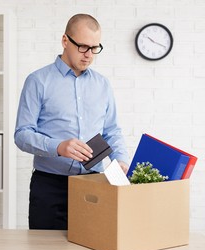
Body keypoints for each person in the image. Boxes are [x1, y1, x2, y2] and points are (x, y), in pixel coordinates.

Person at [14, 14, 129, 230]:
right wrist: (58, 146)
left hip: (94, 184)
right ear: (65, 41)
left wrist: (120, 160)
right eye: (83, 47)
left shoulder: (102, 85)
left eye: (95, 48)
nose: (89, 55)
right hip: (49, 186)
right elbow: (22, 134)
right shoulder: (38, 81)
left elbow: (112, 131)